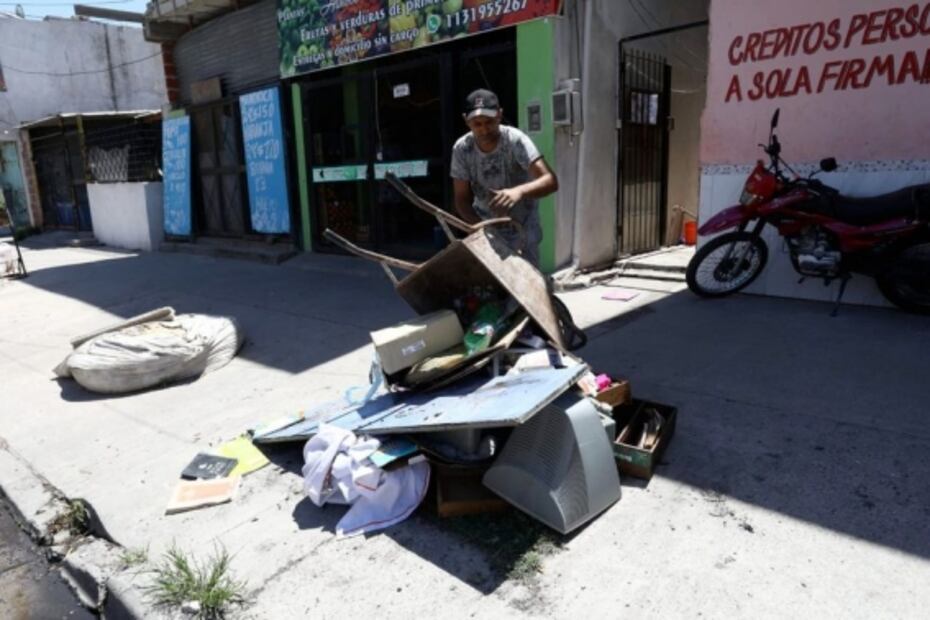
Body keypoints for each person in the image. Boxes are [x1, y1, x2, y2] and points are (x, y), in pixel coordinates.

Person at [450, 89, 558, 267]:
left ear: (500, 115)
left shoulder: (516, 141)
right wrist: (479, 227)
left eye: (489, 122)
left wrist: (519, 192)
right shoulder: (462, 149)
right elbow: (461, 199)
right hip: (486, 228)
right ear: (466, 121)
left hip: (522, 228)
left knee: (525, 284)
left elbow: (550, 181)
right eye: (477, 123)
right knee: (490, 287)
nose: (484, 129)